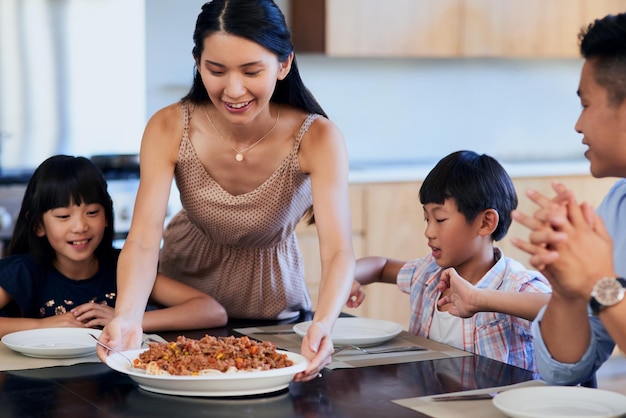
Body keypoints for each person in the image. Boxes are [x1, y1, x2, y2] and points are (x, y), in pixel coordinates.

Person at [98, 0, 354, 382]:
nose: (233, 90)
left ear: (284, 64)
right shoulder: (170, 126)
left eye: (252, 71)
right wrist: (128, 316)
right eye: (216, 70)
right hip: (179, 309)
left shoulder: (317, 138)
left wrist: (324, 323)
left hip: (272, 310)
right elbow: (143, 240)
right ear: (198, 62)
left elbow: (337, 251)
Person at [346, 150, 551, 372]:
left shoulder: (515, 285)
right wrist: (348, 278)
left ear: (485, 222)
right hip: (427, 400)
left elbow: (558, 308)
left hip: (491, 405)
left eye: (440, 219)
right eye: (427, 218)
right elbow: (381, 266)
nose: (428, 231)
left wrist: (479, 299)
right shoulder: (429, 273)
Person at [510, 12, 626, 386]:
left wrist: (598, 280)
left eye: (586, 104)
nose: (579, 124)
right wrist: (567, 291)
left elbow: (605, 289)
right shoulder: (617, 205)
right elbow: (565, 370)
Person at [0, 155, 227, 338]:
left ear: (107, 217)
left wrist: (127, 320)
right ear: (38, 225)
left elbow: (212, 312)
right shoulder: (23, 270)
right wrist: (44, 326)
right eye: (63, 216)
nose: (80, 226)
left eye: (92, 213)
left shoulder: (126, 267)